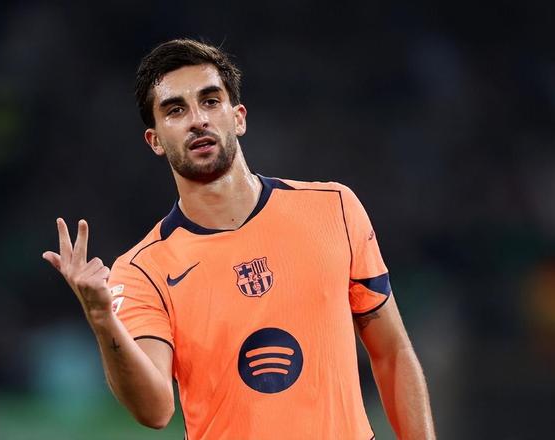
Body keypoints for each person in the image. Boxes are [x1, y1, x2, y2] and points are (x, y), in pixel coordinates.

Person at [42, 39, 436, 439]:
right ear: (155, 140)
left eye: (210, 101)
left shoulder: (334, 208)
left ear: (239, 117)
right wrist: (102, 320)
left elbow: (392, 353)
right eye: (175, 110)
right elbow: (155, 410)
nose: (198, 119)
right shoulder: (143, 270)